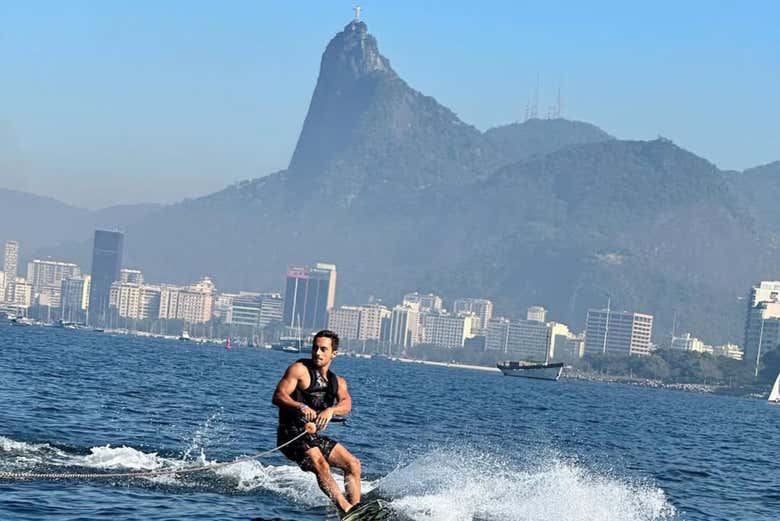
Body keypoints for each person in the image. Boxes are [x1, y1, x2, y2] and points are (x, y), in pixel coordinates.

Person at [272, 329, 362, 514]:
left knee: (353, 464)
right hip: (290, 436)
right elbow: (279, 396)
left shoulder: (337, 382)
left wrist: (331, 410)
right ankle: (346, 510)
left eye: (323, 349)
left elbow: (347, 404)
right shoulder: (299, 370)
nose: (317, 353)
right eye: (315, 348)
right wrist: (300, 406)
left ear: (334, 354)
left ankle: (357, 510)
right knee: (319, 462)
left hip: (311, 437)